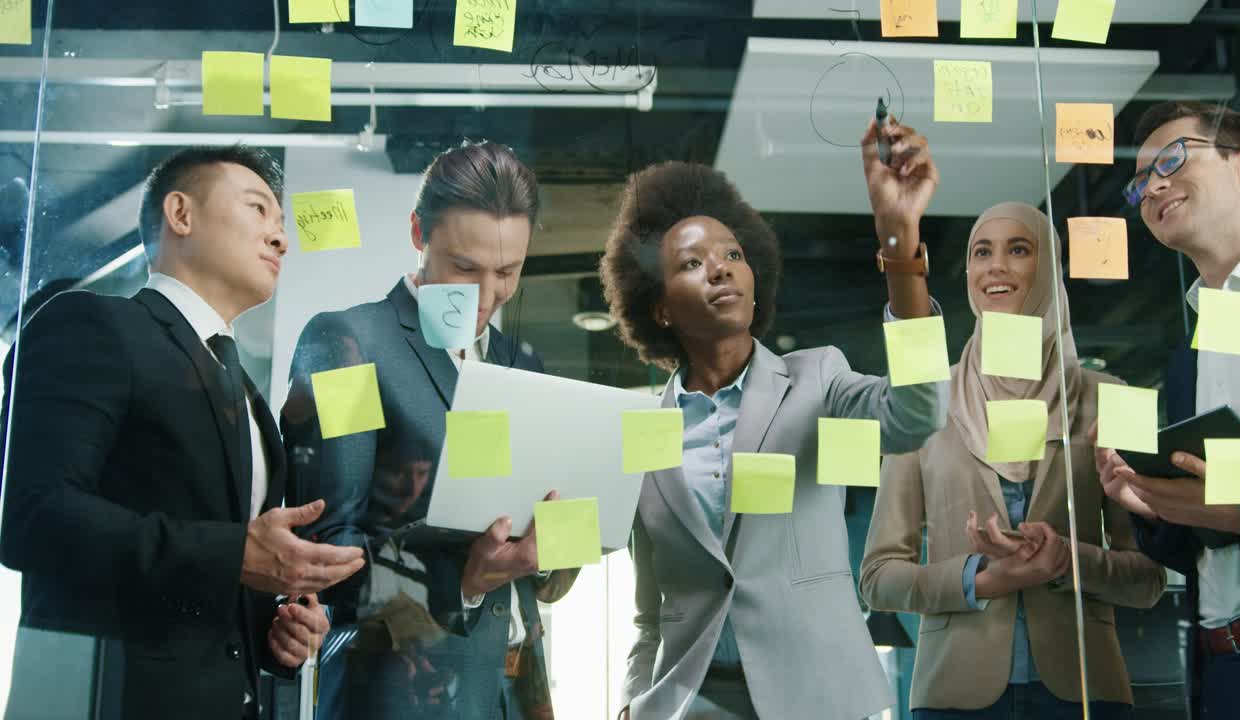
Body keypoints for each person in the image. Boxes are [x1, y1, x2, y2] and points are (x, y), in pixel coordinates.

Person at [0, 146, 363, 720]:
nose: (281, 239)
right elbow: (32, 518)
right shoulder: (90, 325)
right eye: (257, 209)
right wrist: (235, 556)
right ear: (181, 213)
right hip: (107, 701)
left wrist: (276, 629)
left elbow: (212, 574)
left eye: (281, 223)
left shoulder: (246, 394)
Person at [603, 116, 948, 719]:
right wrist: (634, 700)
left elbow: (916, 415)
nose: (720, 268)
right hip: (695, 701)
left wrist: (900, 245)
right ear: (658, 308)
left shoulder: (817, 379)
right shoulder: (643, 432)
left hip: (817, 694)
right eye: (691, 264)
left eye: (732, 254)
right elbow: (652, 609)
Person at [281, 140, 577, 720]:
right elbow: (328, 549)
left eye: (508, 272)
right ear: (419, 233)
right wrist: (462, 583)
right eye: (464, 268)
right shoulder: (348, 347)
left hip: (516, 695)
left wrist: (557, 541)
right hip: (398, 698)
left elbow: (545, 567)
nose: (487, 296)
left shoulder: (525, 366)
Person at [860, 201, 1167, 719]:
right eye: (982, 252)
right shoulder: (925, 403)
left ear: (1047, 269)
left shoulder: (1115, 399)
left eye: (1019, 249)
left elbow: (1149, 580)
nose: (996, 266)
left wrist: (1066, 559)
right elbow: (878, 576)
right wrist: (982, 578)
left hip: (1087, 691)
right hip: (955, 694)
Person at [1093, 101, 1240, 719]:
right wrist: (1142, 499)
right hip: (1220, 668)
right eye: (1140, 181)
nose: (1154, 187)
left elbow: (1233, 512)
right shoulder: (1190, 351)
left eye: (1172, 160)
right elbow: (1196, 546)